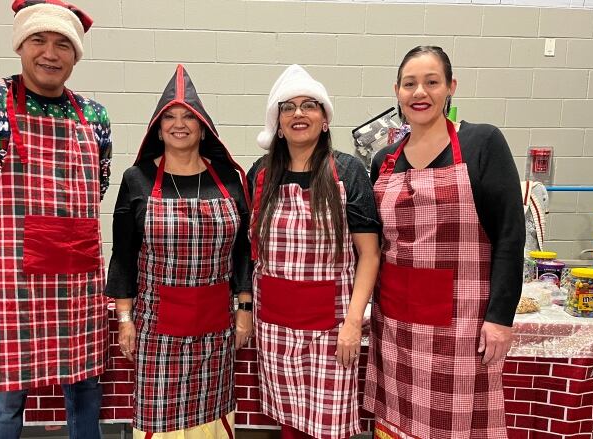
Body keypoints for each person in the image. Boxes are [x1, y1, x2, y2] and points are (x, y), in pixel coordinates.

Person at [0, 1, 111, 438]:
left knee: (86, 390)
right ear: (20, 45)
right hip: (14, 282)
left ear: (76, 55)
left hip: (79, 282)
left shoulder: (94, 116)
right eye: (39, 40)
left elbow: (98, 189)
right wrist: (0, 248)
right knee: (5, 397)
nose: (50, 53)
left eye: (63, 44)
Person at [364, 45, 525, 439]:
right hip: (395, 323)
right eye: (410, 84)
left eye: (431, 82)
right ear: (396, 92)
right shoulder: (383, 159)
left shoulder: (481, 143)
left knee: (455, 422)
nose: (420, 92)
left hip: (462, 324)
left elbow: (509, 234)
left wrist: (500, 318)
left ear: (450, 87)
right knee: (397, 420)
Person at [105, 64, 253, 439]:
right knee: (159, 417)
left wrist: (245, 309)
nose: (179, 123)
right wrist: (125, 321)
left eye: (188, 116)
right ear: (158, 127)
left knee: (212, 412)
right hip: (156, 328)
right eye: (169, 116)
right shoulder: (136, 179)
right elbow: (123, 255)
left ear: (203, 127)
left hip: (215, 328)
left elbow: (242, 252)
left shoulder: (229, 180)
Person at [249, 65, 381, 439]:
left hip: (332, 325)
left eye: (310, 105)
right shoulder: (260, 173)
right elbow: (252, 250)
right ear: (277, 121)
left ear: (325, 119)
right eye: (288, 107)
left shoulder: (347, 171)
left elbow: (369, 255)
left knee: (327, 427)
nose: (298, 114)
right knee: (289, 423)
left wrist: (354, 323)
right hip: (275, 323)